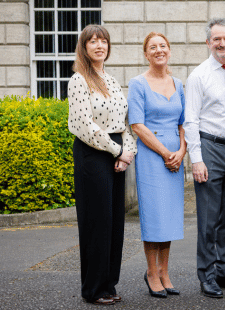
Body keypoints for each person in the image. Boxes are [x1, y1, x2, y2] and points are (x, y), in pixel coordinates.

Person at [184, 18, 225, 298]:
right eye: (216, 39)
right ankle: (207, 275)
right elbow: (190, 120)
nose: (222, 43)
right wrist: (196, 159)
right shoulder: (198, 76)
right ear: (208, 42)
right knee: (209, 218)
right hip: (210, 148)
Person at [67, 24, 136, 305]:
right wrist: (117, 150)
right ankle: (93, 289)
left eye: (103, 41)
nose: (99, 46)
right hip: (92, 155)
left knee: (114, 222)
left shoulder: (111, 79)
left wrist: (127, 152)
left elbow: (124, 123)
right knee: (96, 223)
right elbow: (85, 126)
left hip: (115, 153)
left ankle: (108, 284)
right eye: (93, 42)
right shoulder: (79, 80)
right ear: (84, 47)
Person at [127, 32, 186, 298]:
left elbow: (184, 122)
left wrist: (181, 151)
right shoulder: (138, 84)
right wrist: (165, 153)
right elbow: (137, 125)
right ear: (146, 53)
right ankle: (151, 271)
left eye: (163, 45)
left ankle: (164, 271)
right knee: (154, 215)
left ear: (169, 50)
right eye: (153, 47)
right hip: (153, 157)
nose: (159, 50)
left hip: (176, 155)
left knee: (170, 216)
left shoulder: (178, 83)